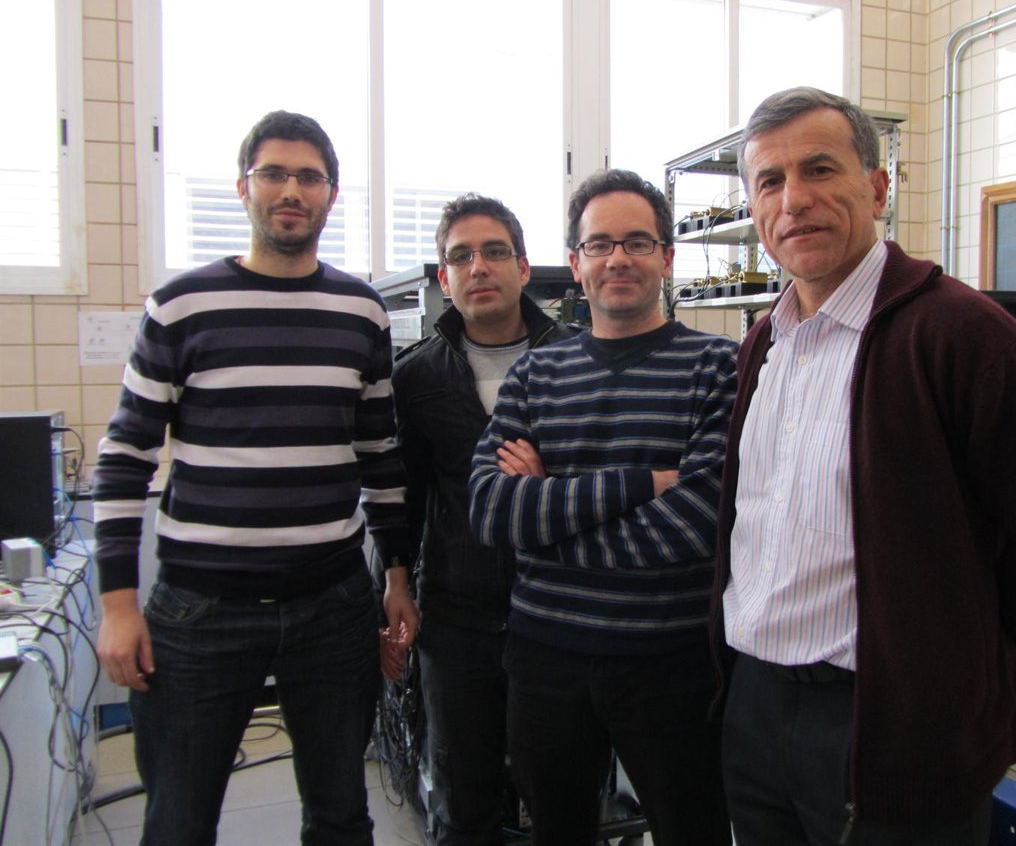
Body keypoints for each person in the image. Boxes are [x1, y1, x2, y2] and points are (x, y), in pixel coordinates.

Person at [711, 86, 1016, 845]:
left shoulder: (964, 337)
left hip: (894, 721)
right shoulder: (765, 343)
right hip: (756, 706)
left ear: (877, 187)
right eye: (769, 181)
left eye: (819, 169)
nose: (794, 200)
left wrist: (949, 652)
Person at [93, 110, 419, 846]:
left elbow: (379, 455)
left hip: (333, 606)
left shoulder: (360, 312)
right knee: (178, 822)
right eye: (274, 173)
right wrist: (116, 604)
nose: (291, 190)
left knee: (340, 815)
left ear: (331, 194)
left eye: (309, 176)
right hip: (200, 611)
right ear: (244, 187)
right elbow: (125, 455)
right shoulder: (182, 306)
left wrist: (397, 575)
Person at [468, 169, 736, 846]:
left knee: (694, 832)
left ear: (666, 259)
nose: (618, 258)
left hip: (673, 664)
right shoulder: (536, 373)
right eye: (600, 245)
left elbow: (695, 524)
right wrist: (643, 483)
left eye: (638, 242)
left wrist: (546, 515)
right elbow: (492, 511)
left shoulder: (719, 367)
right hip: (545, 661)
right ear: (576, 264)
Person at [390, 193, 575, 845]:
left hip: (559, 615)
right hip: (458, 620)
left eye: (495, 251)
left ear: (523, 267)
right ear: (444, 278)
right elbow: (406, 497)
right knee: (464, 800)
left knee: (562, 797)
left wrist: (549, 487)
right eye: (461, 256)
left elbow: (610, 485)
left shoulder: (580, 363)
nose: (479, 267)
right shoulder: (416, 377)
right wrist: (396, 583)